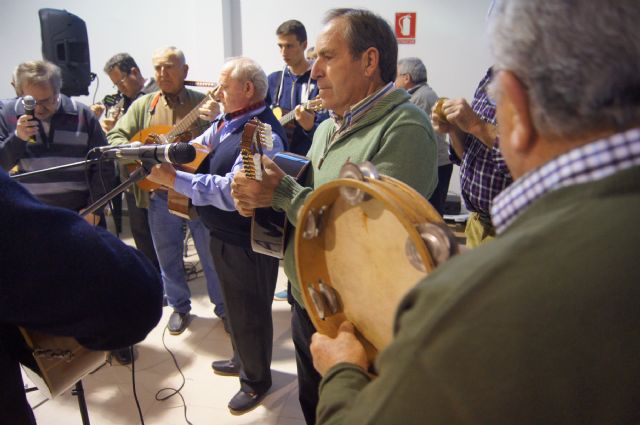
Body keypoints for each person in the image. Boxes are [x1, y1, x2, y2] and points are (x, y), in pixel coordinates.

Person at [309, 1, 640, 424]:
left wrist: (341, 374)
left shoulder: (476, 303)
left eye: (495, 99)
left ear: (516, 110)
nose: (316, 70)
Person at [231, 9, 438, 424]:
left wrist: (285, 194)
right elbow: (309, 204)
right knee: (315, 404)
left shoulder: (405, 129)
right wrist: (260, 197)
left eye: (326, 57)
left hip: (359, 317)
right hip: (310, 298)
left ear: (369, 61)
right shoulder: (327, 128)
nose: (314, 72)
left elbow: (369, 233)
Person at [147, 56, 285, 414]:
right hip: (222, 234)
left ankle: (256, 381)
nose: (217, 92)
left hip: (248, 242)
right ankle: (242, 359)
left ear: (248, 89)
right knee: (235, 307)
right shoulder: (228, 121)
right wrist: (167, 149)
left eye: (224, 86)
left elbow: (230, 190)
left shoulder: (262, 133)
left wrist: (174, 179)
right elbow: (199, 148)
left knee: (250, 311)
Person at [0, 167, 163, 425]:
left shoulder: (86, 124)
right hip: (48, 236)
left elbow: (102, 171)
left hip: (66, 224)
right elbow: (133, 292)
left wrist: (93, 212)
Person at [108, 46, 224, 335]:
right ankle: (179, 307)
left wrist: (215, 119)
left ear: (185, 70)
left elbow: (222, 141)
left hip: (196, 190)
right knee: (167, 255)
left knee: (210, 255)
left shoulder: (203, 102)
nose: (163, 73)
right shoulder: (143, 105)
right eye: (158, 67)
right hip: (159, 194)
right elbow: (115, 135)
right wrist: (135, 148)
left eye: (170, 66)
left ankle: (223, 308)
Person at [0, 60, 114, 226]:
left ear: (58, 91)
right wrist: (18, 137)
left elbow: (104, 164)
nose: (39, 109)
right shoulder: (6, 113)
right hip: (25, 220)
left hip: (79, 217)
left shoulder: (82, 114)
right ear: (19, 91)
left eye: (46, 101)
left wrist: (95, 208)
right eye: (31, 102)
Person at [431, 66, 512, 247]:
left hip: (510, 229)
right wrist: (453, 130)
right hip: (477, 223)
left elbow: (528, 154)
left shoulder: (538, 83)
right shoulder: (491, 76)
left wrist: (477, 125)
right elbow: (467, 157)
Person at [396, 57, 452, 215]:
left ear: (406, 78)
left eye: (396, 76)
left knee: (428, 216)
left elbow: (409, 136)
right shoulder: (423, 93)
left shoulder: (419, 98)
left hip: (435, 165)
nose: (394, 81)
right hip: (437, 163)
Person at [266, 19, 328, 156]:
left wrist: (310, 127)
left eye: (289, 46)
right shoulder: (273, 80)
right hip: (277, 159)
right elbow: (257, 115)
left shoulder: (320, 80)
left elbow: (330, 129)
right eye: (280, 46)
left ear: (304, 45)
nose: (283, 52)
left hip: (308, 160)